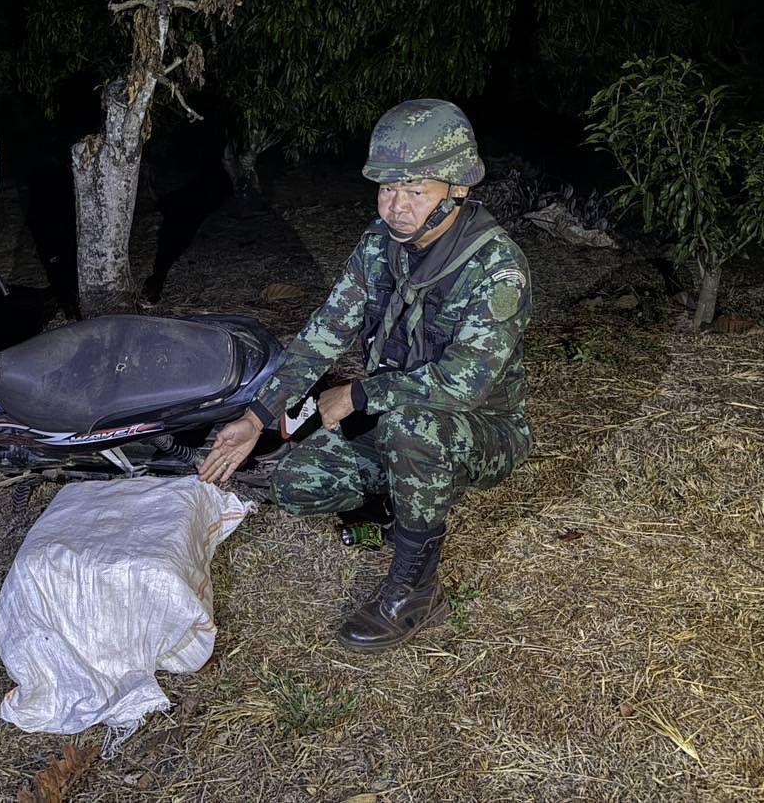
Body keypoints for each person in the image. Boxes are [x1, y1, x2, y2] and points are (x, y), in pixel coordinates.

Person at [198, 99, 532, 653]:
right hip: (393, 412)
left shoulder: (497, 268)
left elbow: (463, 385)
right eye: (386, 189)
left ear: (457, 189)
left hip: (481, 429)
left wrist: (357, 393)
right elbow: (324, 333)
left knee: (411, 429)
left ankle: (416, 592)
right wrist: (257, 416)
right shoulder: (381, 245)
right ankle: (402, 495)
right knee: (298, 483)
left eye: (414, 191)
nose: (396, 207)